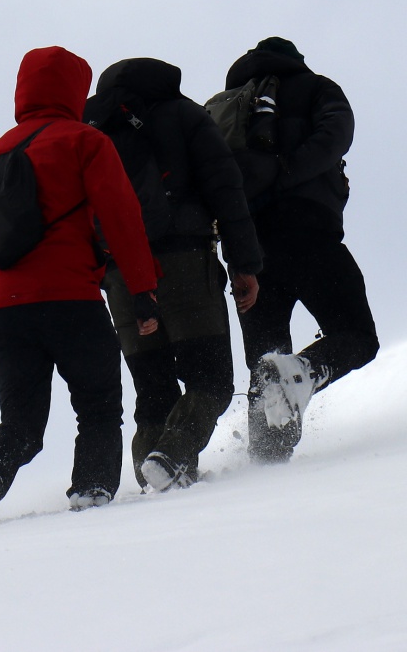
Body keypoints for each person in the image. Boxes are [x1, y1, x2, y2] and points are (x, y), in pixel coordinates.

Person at [0, 46, 160, 531]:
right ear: (74, 91)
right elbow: (122, 218)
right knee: (98, 407)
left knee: (20, 424)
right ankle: (92, 494)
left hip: (1, 313)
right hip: (70, 300)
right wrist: (143, 291)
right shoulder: (84, 141)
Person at [84, 58, 264, 491]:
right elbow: (225, 188)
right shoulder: (184, 115)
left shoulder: (91, 131)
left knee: (153, 390)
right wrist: (244, 263)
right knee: (210, 380)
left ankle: (153, 484)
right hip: (182, 261)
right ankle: (171, 459)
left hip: (121, 275)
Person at [218, 37, 378, 462]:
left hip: (249, 248)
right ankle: (301, 372)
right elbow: (337, 133)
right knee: (357, 335)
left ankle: (265, 463)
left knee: (264, 364)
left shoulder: (230, 106)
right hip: (308, 231)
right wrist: (287, 173)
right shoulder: (317, 88)